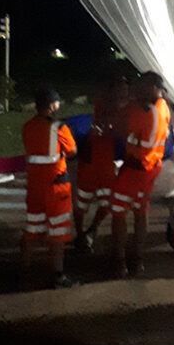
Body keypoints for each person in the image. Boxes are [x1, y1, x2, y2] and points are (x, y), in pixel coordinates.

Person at [109, 70, 171, 278]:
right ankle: (138, 259)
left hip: (135, 169)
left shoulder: (144, 112)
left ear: (153, 88)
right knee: (140, 212)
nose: (139, 92)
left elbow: (121, 131)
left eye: (143, 87)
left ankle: (119, 261)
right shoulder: (163, 109)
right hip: (150, 170)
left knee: (118, 214)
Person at [21, 86, 78, 289]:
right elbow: (72, 151)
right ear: (52, 105)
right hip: (56, 187)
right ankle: (57, 274)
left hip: (35, 187)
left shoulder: (28, 126)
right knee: (58, 232)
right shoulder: (58, 128)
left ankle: (24, 270)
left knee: (31, 229)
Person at [73, 76, 129, 253]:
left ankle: (92, 229)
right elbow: (96, 129)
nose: (124, 93)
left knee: (108, 203)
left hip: (106, 163)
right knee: (82, 203)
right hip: (91, 162)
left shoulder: (126, 109)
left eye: (125, 90)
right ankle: (81, 234)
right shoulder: (102, 105)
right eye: (120, 90)